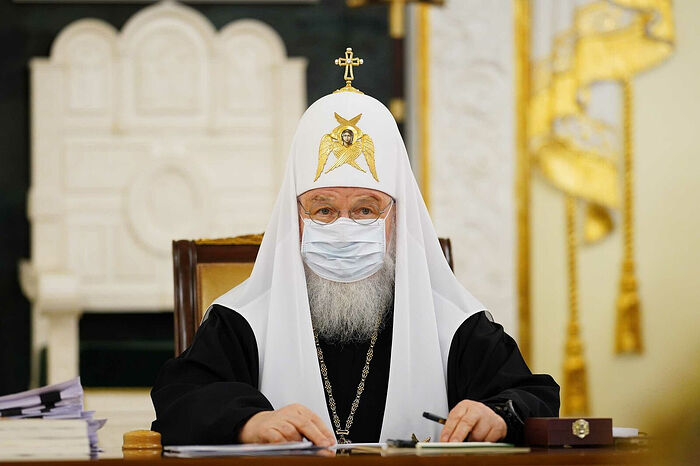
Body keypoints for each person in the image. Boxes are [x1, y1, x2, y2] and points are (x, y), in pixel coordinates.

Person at [150, 68, 559, 447]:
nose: (344, 228)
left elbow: (535, 396)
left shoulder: (450, 325)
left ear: (397, 218)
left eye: (365, 210)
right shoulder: (243, 322)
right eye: (323, 209)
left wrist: (499, 415)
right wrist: (248, 422)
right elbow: (179, 400)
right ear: (294, 217)